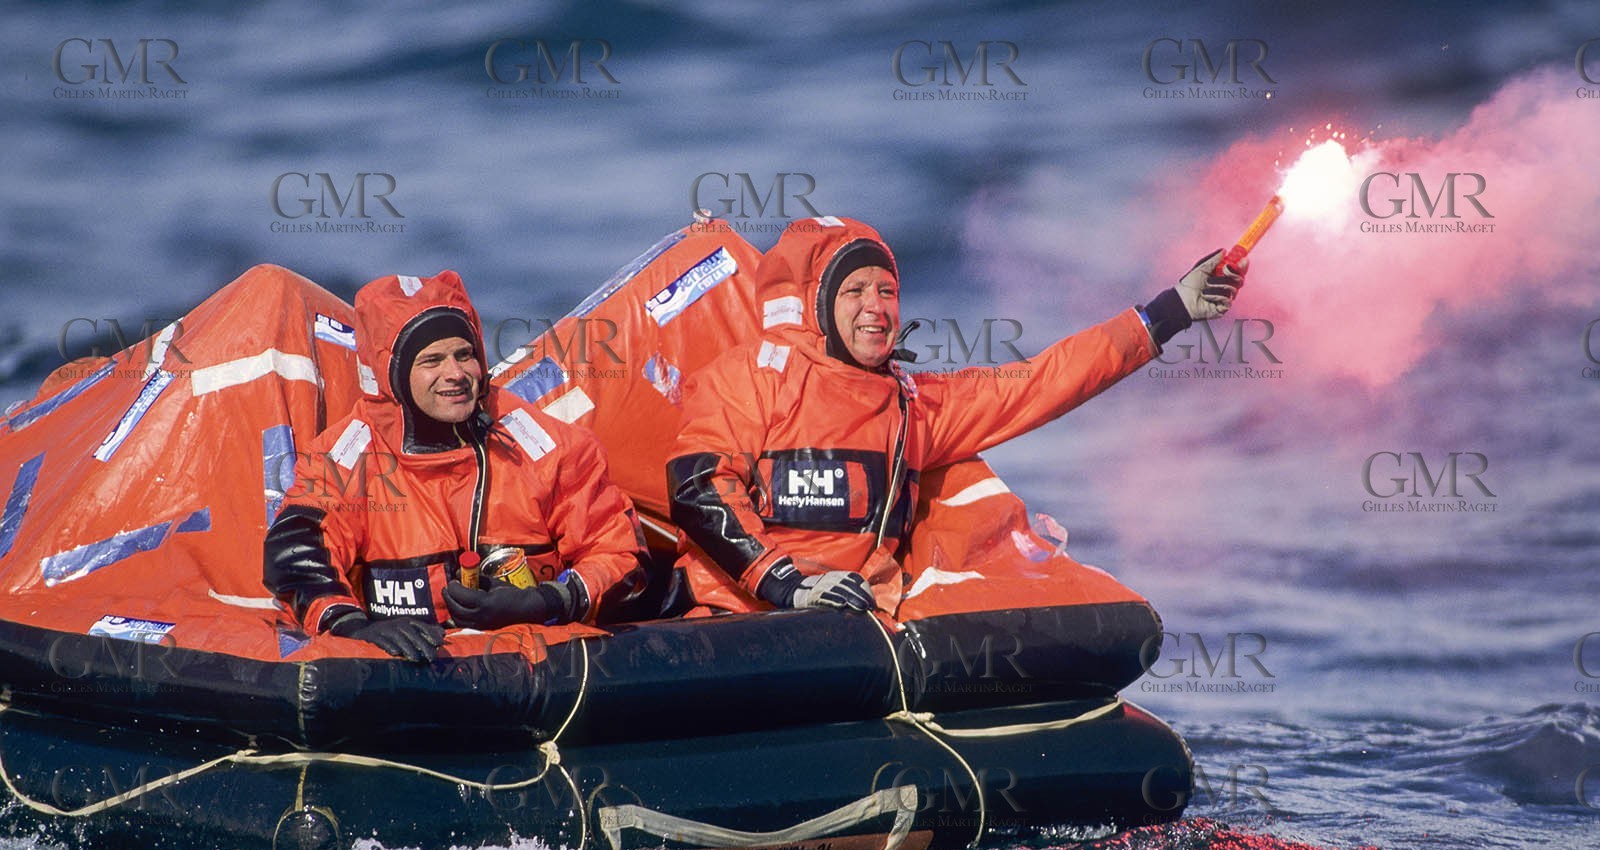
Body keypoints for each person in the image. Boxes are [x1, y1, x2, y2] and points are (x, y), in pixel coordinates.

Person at [665, 216, 1244, 616]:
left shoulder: (916, 405)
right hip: (738, 614)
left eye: (887, 291)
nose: (876, 308)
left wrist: (1168, 314)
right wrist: (786, 585)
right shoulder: (752, 376)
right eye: (856, 291)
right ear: (819, 305)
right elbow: (697, 485)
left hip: (853, 625)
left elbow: (1044, 380)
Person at [265, 270, 646, 661]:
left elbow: (619, 556)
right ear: (392, 373)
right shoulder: (343, 460)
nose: (456, 374)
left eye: (464, 354)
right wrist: (354, 627)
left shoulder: (550, 448)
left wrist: (544, 601)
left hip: (537, 666)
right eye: (432, 360)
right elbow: (296, 555)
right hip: (405, 672)